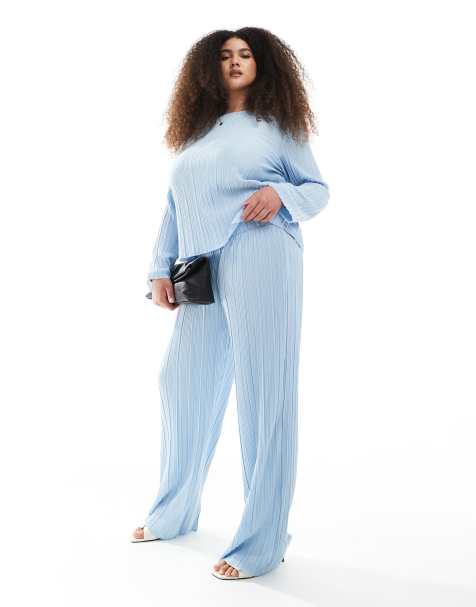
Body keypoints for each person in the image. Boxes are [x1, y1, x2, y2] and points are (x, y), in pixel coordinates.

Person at [131, 27, 330, 580]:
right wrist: (159, 268)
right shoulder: (196, 133)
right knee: (181, 381)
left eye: (246, 54)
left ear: (263, 65)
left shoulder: (279, 125)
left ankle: (261, 542)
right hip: (201, 266)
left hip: (262, 251)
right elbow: (175, 205)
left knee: (266, 392)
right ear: (208, 68)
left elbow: (316, 189)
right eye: (225, 55)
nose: (236, 61)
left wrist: (280, 193)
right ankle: (175, 511)